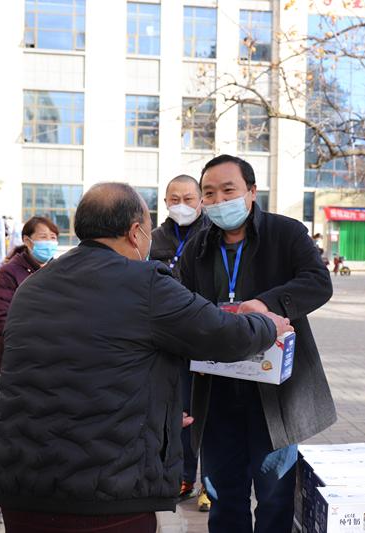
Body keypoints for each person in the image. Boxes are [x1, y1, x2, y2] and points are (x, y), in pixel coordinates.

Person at [0, 182, 292, 533]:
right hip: (106, 493)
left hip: (21, 486)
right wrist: (267, 324)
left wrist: (156, 414)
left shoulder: (33, 286)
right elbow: (222, 334)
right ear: (135, 233)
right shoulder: (145, 282)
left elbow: (84, 369)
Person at [179, 154, 336, 533]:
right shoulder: (197, 248)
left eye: (228, 190)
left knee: (275, 496)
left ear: (251, 191)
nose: (218, 201)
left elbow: (318, 282)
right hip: (216, 391)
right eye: (209, 194)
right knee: (223, 494)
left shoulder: (286, 233)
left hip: (274, 394)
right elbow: (181, 310)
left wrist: (266, 304)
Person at [0, 216, 59, 525]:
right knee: (7, 436)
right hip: (10, 369)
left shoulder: (59, 271)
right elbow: (1, 322)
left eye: (53, 237)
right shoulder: (9, 273)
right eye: (43, 237)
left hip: (51, 369)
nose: (49, 242)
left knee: (43, 435)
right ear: (27, 240)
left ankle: (35, 497)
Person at [149, 175, 209, 510]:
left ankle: (210, 485)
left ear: (201, 201)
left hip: (206, 334)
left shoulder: (214, 235)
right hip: (170, 340)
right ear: (166, 202)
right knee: (180, 411)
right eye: (174, 199)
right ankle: (183, 476)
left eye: (188, 198)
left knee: (210, 412)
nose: (181, 205)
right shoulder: (153, 238)